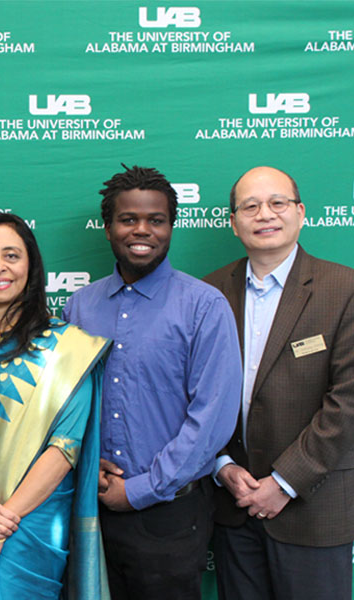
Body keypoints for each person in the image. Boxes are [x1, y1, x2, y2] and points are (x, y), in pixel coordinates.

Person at [62, 164, 242, 599]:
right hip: (90, 510)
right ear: (107, 228)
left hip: (171, 515)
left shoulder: (204, 306)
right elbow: (65, 405)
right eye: (128, 219)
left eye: (156, 220)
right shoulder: (79, 308)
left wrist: (140, 490)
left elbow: (212, 420)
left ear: (171, 226)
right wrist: (89, 466)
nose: (142, 230)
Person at [0, 212, 110, 599]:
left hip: (30, 527)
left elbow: (65, 449)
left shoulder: (66, 349)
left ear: (31, 265)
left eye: (11, 255)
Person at [204, 166, 354, 600]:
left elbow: (347, 402)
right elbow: (195, 393)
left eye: (277, 203)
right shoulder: (210, 292)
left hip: (313, 507)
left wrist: (284, 482)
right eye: (249, 206)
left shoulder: (343, 289)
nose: (264, 214)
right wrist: (221, 466)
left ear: (300, 212)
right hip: (233, 504)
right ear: (234, 223)